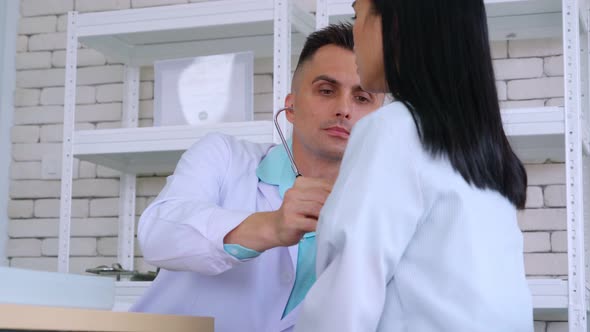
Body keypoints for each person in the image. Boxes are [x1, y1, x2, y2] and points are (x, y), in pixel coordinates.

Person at [295, 0, 533, 331]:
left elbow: (347, 297)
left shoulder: (393, 128)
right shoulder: (486, 149)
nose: (355, 32)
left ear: (393, 24)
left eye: (357, 15)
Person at [130, 23, 384, 332]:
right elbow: (158, 233)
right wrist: (272, 226)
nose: (344, 108)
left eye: (362, 98)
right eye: (326, 91)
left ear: (380, 118)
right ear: (291, 107)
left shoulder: (381, 209)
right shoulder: (223, 156)